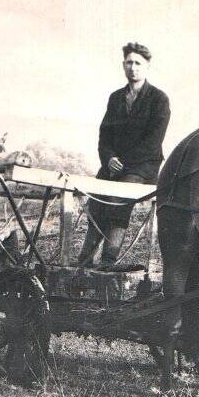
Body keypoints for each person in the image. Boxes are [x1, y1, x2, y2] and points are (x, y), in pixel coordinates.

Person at [78, 42, 171, 268]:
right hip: (113, 166)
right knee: (96, 202)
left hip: (143, 167)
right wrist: (109, 158)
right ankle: (85, 260)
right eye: (129, 63)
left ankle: (108, 260)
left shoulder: (158, 99)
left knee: (118, 199)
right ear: (123, 65)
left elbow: (153, 141)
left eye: (138, 63)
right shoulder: (116, 98)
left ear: (147, 67)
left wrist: (125, 163)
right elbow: (104, 135)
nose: (133, 68)